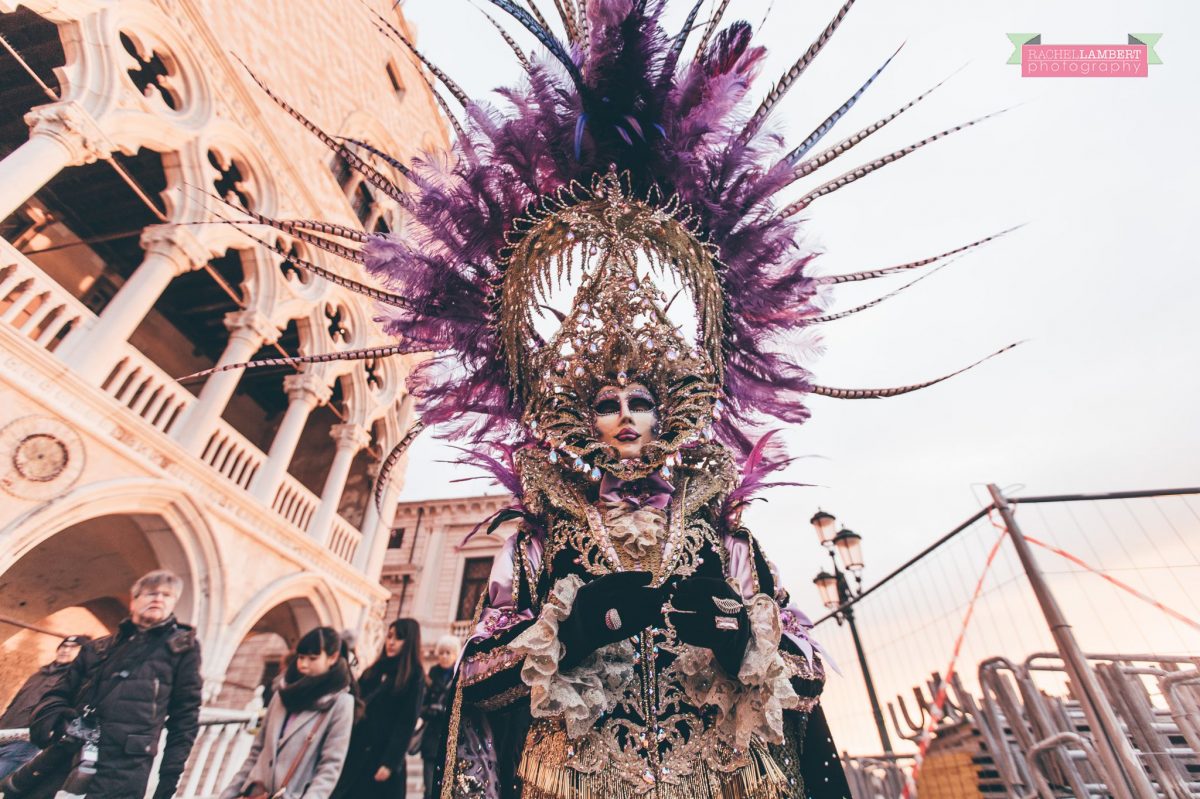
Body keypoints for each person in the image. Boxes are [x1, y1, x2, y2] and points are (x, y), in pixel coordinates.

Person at [7, 570, 202, 799]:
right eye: (151, 593)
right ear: (134, 600)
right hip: (67, 753)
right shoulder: (97, 648)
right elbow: (58, 693)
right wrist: (54, 720)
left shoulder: (181, 651)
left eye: (167, 595)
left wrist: (168, 782)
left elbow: (184, 720)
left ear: (173, 604)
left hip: (124, 768)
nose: (158, 598)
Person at [220, 627, 355, 799]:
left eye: (313, 658)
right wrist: (229, 793)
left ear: (333, 657)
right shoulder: (282, 693)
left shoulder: (340, 704)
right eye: (301, 657)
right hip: (255, 791)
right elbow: (257, 751)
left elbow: (329, 768)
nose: (303, 664)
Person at [333, 619, 424, 799]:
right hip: (356, 751)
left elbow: (406, 722)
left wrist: (390, 762)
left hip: (382, 756)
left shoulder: (413, 676)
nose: (391, 642)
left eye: (399, 638)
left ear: (410, 642)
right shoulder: (373, 670)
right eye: (389, 636)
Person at [0, 636, 90, 780]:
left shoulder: (75, 681)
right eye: (63, 646)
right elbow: (15, 704)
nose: (65, 650)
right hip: (5, 732)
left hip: (26, 742)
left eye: (73, 648)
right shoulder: (38, 674)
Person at [419, 635, 459, 799]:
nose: (444, 656)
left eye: (448, 653)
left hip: (450, 739)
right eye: (441, 652)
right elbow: (421, 705)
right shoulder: (431, 675)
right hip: (430, 740)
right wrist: (431, 710)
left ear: (455, 655)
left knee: (446, 787)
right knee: (429, 790)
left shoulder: (459, 676)